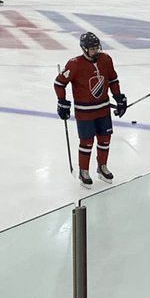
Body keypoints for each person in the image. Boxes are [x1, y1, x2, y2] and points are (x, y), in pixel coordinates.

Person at [55, 32, 127, 186]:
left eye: (97, 48)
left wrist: (119, 97)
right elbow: (59, 83)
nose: (96, 51)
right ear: (84, 49)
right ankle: (84, 171)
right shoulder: (74, 64)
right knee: (87, 142)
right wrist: (62, 102)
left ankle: (102, 167)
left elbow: (113, 79)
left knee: (105, 140)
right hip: (84, 112)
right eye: (92, 49)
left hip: (103, 109)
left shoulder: (106, 59)